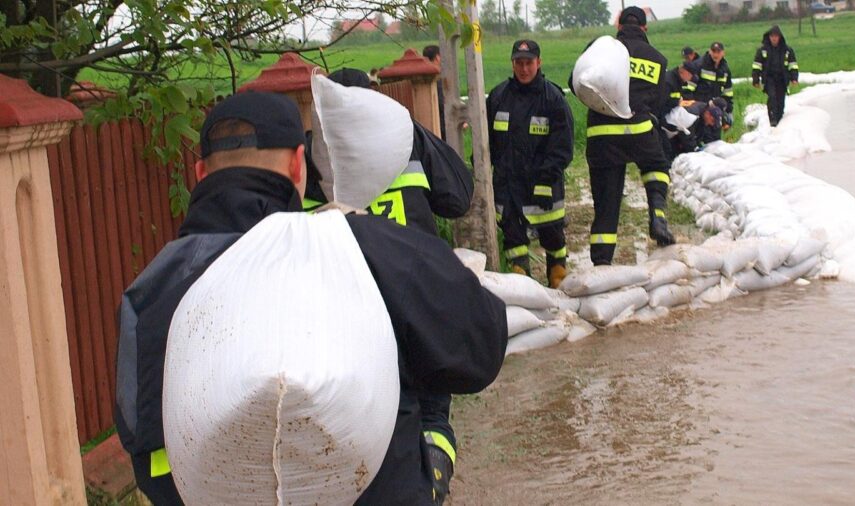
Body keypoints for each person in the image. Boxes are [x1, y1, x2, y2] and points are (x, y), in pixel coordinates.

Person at [113, 91, 507, 505]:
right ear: (298, 165)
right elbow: (480, 346)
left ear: (199, 173)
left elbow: (141, 439)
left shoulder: (151, 290)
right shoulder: (360, 248)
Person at [303, 67, 473, 504]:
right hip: (417, 301)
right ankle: (432, 484)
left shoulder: (306, 156)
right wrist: (411, 128)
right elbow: (458, 195)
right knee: (432, 410)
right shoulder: (407, 139)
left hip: (345, 313)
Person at [569, 5, 675, 265]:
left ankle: (602, 264)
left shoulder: (600, 50)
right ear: (644, 27)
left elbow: (576, 83)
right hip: (639, 129)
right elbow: (660, 102)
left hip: (602, 136)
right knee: (657, 166)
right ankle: (658, 216)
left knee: (606, 204)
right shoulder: (657, 59)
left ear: (618, 25)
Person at [487, 40, 575, 287]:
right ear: (512, 64)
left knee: (553, 238)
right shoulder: (498, 97)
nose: (524, 69)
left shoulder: (553, 98)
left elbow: (563, 146)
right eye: (519, 63)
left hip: (543, 186)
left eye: (529, 63)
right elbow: (487, 144)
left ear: (539, 63)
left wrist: (546, 179)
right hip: (508, 188)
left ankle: (558, 280)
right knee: (514, 241)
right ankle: (522, 285)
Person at [752, 25, 800, 127]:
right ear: (769, 37)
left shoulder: (787, 50)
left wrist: (794, 78)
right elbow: (757, 66)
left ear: (779, 37)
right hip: (769, 78)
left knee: (780, 101)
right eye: (772, 36)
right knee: (772, 97)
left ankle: (779, 120)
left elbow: (793, 65)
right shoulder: (762, 50)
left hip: (782, 79)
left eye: (776, 36)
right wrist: (756, 80)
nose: (774, 38)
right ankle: (773, 120)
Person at [658, 59, 700, 162]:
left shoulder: (678, 81)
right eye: (691, 76)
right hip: (660, 120)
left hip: (668, 118)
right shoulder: (668, 82)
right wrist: (664, 124)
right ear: (684, 72)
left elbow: (672, 101)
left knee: (672, 148)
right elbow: (659, 104)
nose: (690, 79)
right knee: (665, 149)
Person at [693, 41, 734, 143]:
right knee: (704, 136)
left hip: (717, 109)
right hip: (702, 108)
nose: (716, 54)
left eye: (718, 52)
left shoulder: (725, 69)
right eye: (713, 51)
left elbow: (727, 91)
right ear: (709, 51)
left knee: (716, 137)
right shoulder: (700, 65)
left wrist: (728, 109)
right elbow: (690, 88)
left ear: (723, 53)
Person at [423, 45, 448, 138]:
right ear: (437, 58)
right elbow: (443, 102)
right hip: (442, 126)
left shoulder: (424, 75)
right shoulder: (436, 77)